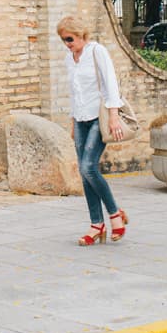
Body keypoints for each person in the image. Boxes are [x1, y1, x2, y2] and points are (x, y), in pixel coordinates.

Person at [58, 15, 128, 245]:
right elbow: (74, 93)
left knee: (89, 167)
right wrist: (72, 122)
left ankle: (115, 214)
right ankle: (96, 225)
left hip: (100, 116)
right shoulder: (70, 59)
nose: (67, 44)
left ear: (81, 35)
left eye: (69, 39)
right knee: (84, 172)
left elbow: (111, 84)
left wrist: (114, 118)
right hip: (80, 118)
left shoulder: (97, 52)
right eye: (63, 40)